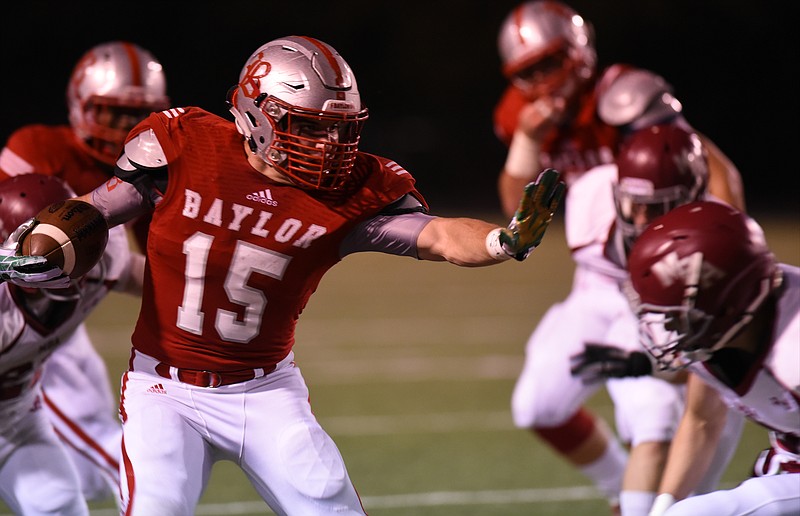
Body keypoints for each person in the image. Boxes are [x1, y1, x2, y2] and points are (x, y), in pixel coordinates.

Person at [0, 35, 565, 514]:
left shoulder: (350, 191)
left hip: (267, 391)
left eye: (342, 130)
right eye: (310, 127)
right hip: (164, 389)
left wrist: (502, 239)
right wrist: (39, 246)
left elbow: (440, 235)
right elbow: (94, 210)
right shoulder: (185, 145)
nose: (332, 146)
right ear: (257, 113)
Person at [493, 2, 746, 512]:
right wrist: (526, 141)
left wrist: (722, 239)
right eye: (529, 72)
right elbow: (520, 216)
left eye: (549, 63)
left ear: (578, 53)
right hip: (597, 274)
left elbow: (709, 166)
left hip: (657, 276)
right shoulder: (521, 116)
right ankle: (621, 492)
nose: (542, 81)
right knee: (536, 403)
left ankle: (651, 502)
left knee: (651, 412)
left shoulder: (623, 96)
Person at [0, 40, 169, 503]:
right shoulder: (38, 151)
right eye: (112, 112)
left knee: (59, 497)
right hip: (20, 302)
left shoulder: (103, 251)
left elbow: (154, 269)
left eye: (134, 116)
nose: (122, 128)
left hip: (22, 387)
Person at [620, 201, 799, 515]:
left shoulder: (792, 350)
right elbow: (701, 421)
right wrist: (663, 505)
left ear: (729, 303)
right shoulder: (720, 334)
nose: (669, 328)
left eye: (682, 315)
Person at [0, 174, 144, 515]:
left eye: (69, 242)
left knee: (59, 505)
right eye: (43, 250)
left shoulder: (100, 257)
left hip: (16, 418)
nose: (63, 257)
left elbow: (150, 279)